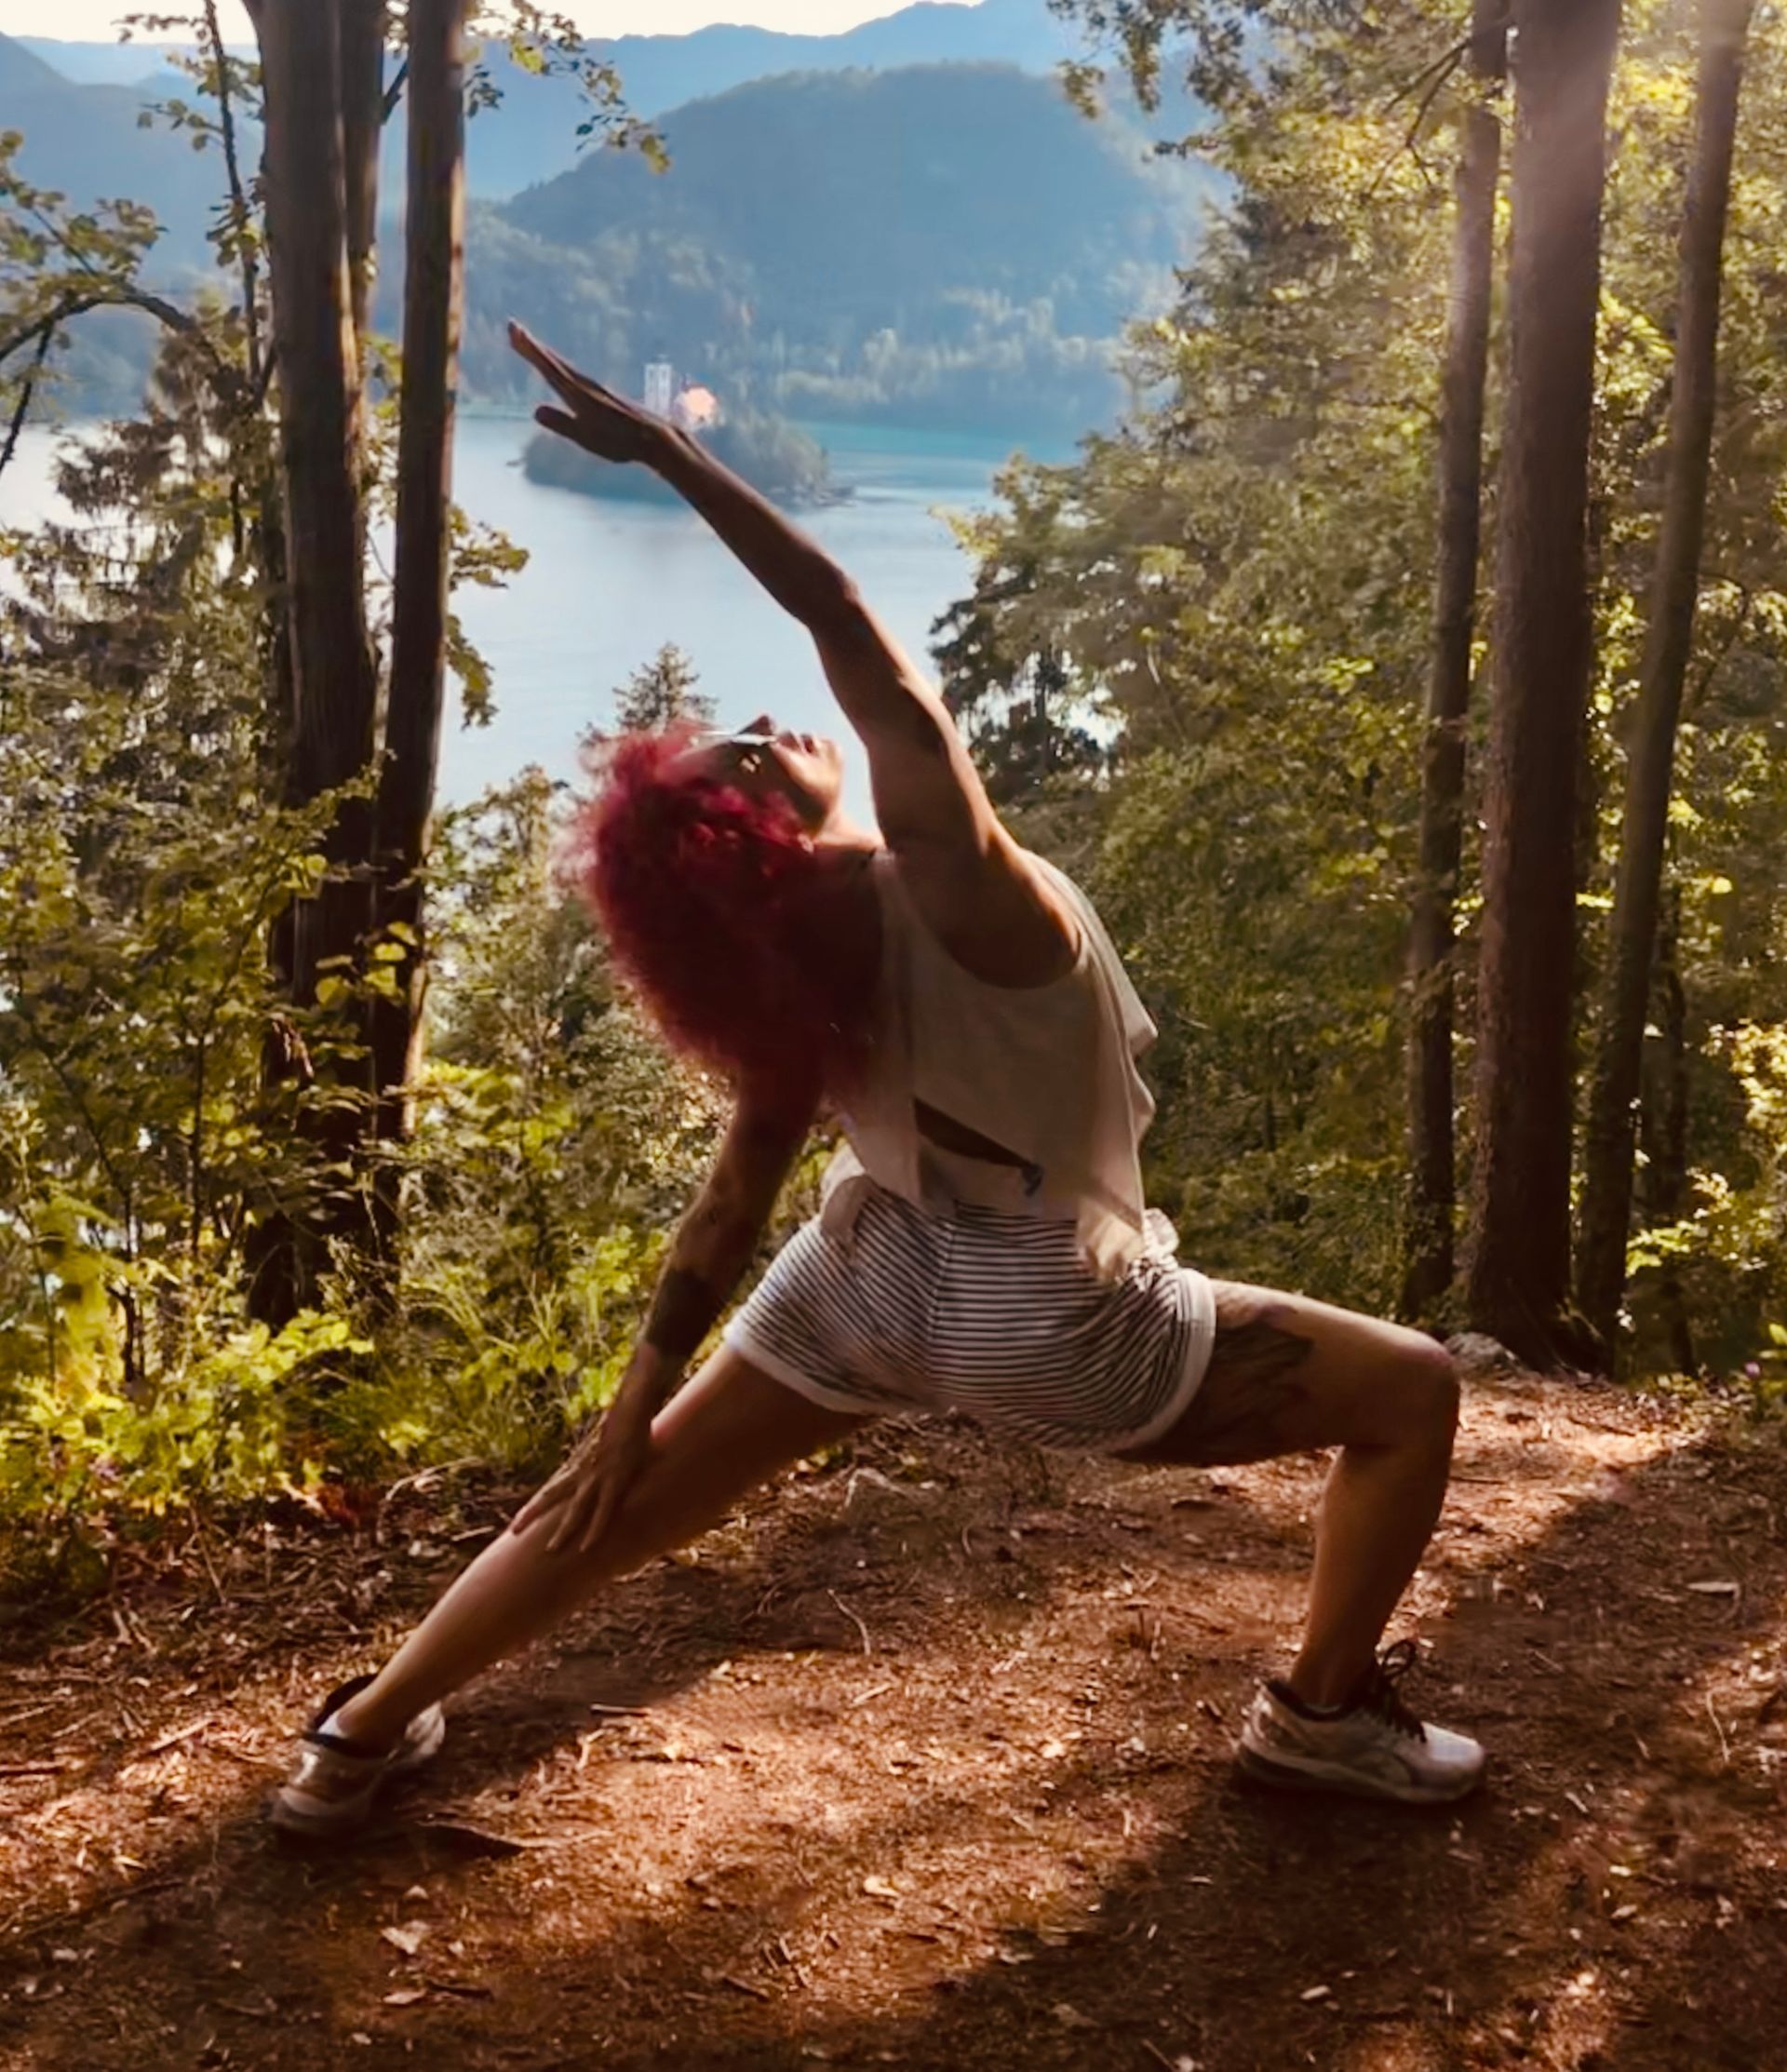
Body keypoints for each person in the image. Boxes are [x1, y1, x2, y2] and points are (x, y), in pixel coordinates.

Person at [271, 323, 1484, 1836]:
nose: (766, 732)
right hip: (1048, 1310)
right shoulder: (963, 897)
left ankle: (356, 1740)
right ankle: (1317, 1718)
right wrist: (673, 455)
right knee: (1417, 1392)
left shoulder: (794, 988)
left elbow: (727, 1209)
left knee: (619, 1496)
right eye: (748, 767)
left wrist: (626, 1410)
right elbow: (854, 626)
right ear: (768, 846)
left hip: (870, 1270)